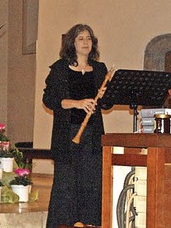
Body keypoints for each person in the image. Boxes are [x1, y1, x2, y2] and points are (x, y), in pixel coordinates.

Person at [42, 24, 111, 228]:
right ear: (72, 43)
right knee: (66, 184)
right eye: (81, 38)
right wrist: (76, 103)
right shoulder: (60, 68)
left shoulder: (100, 69)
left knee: (92, 183)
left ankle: (90, 224)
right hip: (68, 134)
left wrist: (107, 93)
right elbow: (50, 99)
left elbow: (107, 104)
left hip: (92, 135)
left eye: (89, 38)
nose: (85, 42)